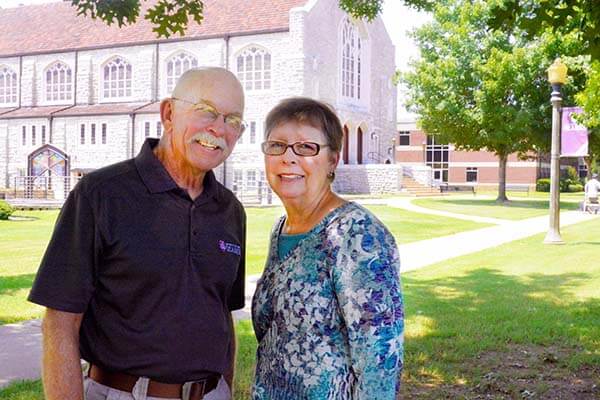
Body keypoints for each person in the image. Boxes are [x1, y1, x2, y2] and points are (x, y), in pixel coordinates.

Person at [28, 67, 247, 400]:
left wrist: (226, 389)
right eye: (206, 112)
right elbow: (60, 321)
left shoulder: (231, 211)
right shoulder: (101, 194)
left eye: (233, 120)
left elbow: (222, 315)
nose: (218, 129)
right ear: (168, 113)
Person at [251, 97, 404, 399]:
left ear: (333, 159)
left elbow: (380, 361)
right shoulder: (281, 229)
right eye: (276, 145)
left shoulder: (358, 234)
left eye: (306, 147)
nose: (288, 157)